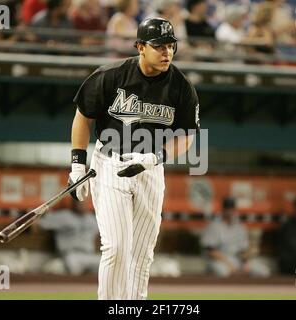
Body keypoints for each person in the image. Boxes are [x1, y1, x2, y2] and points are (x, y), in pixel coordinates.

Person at [68, 17, 200, 299]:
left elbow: (188, 135)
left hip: (150, 168)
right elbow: (83, 117)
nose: (167, 52)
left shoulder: (180, 85)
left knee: (142, 253)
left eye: (171, 46)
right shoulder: (112, 75)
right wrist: (78, 164)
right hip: (111, 163)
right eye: (159, 46)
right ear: (140, 47)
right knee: (116, 248)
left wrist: (157, 158)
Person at [201, 197, 270, 278]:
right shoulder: (214, 226)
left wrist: (246, 262)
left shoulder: (240, 227)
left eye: (231, 209)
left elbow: (243, 251)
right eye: (227, 209)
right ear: (223, 209)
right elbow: (211, 251)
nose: (229, 211)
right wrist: (229, 264)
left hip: (237, 261)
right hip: (220, 261)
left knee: (263, 271)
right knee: (222, 272)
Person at [38, 200, 100, 275]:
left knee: (105, 265)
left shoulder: (91, 219)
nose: (82, 205)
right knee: (73, 267)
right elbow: (39, 224)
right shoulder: (64, 216)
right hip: (70, 254)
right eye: (79, 203)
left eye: (84, 203)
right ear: (73, 204)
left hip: (89, 254)